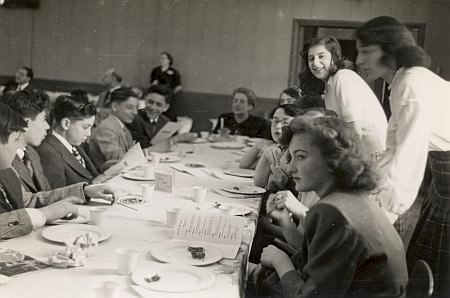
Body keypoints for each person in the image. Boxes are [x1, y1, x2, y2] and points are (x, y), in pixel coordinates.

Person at [248, 116, 407, 297]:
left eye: (301, 156)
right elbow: (318, 260)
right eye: (291, 157)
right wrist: (284, 220)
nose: (291, 168)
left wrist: (280, 262)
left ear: (333, 160)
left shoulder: (332, 211)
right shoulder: (353, 198)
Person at [356, 16, 450, 297]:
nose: (360, 60)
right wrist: (367, 189)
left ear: (390, 49)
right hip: (442, 183)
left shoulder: (411, 84)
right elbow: (393, 150)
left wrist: (380, 215)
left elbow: (408, 159)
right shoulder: (399, 81)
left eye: (366, 51)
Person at [0, 103, 115, 240]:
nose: (19, 146)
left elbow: (28, 200)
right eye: (15, 140)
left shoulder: (7, 170)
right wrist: (45, 214)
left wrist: (84, 191)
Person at [301, 36, 387, 159]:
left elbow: (354, 129)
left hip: (373, 153)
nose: (315, 63)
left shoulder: (343, 77)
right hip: (362, 149)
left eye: (321, 56)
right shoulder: (330, 86)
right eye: (311, 58)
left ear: (334, 58)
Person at [37, 95, 100, 188]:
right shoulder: (48, 152)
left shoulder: (74, 144)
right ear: (66, 124)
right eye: (85, 127)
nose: (89, 133)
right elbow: (58, 194)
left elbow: (92, 176)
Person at [2, 91, 52, 192]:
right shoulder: (5, 159)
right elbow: (26, 201)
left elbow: (48, 192)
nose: (48, 126)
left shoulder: (33, 154)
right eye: (43, 120)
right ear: (27, 123)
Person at [127, 84, 195, 151]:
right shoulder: (134, 119)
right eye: (150, 102)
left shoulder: (166, 121)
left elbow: (173, 146)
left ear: (166, 107)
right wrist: (177, 139)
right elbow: (144, 147)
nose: (153, 107)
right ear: (145, 100)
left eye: (159, 105)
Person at [251, 104, 302, 189]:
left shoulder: (295, 153)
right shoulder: (277, 148)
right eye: (275, 121)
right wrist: (266, 153)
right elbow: (259, 183)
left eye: (285, 122)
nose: (278, 126)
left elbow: (265, 185)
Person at [89, 88, 138, 172]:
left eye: (136, 108)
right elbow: (117, 159)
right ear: (115, 106)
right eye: (130, 107)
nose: (135, 112)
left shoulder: (123, 127)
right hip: (104, 177)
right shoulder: (107, 127)